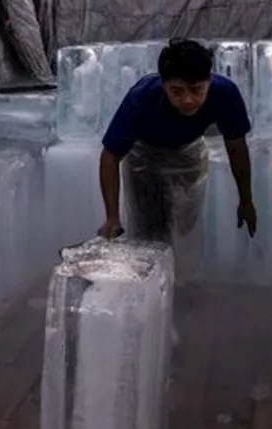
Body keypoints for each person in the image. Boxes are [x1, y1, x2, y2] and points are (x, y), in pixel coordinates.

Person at [95, 38, 257, 283]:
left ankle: (184, 287)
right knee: (149, 230)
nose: (188, 100)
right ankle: (149, 290)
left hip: (188, 153)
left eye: (196, 90)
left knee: (186, 230)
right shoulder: (142, 99)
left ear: (209, 82)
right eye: (177, 91)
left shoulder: (224, 93)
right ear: (163, 84)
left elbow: (236, 147)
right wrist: (112, 217)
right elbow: (110, 156)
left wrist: (246, 200)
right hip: (145, 157)